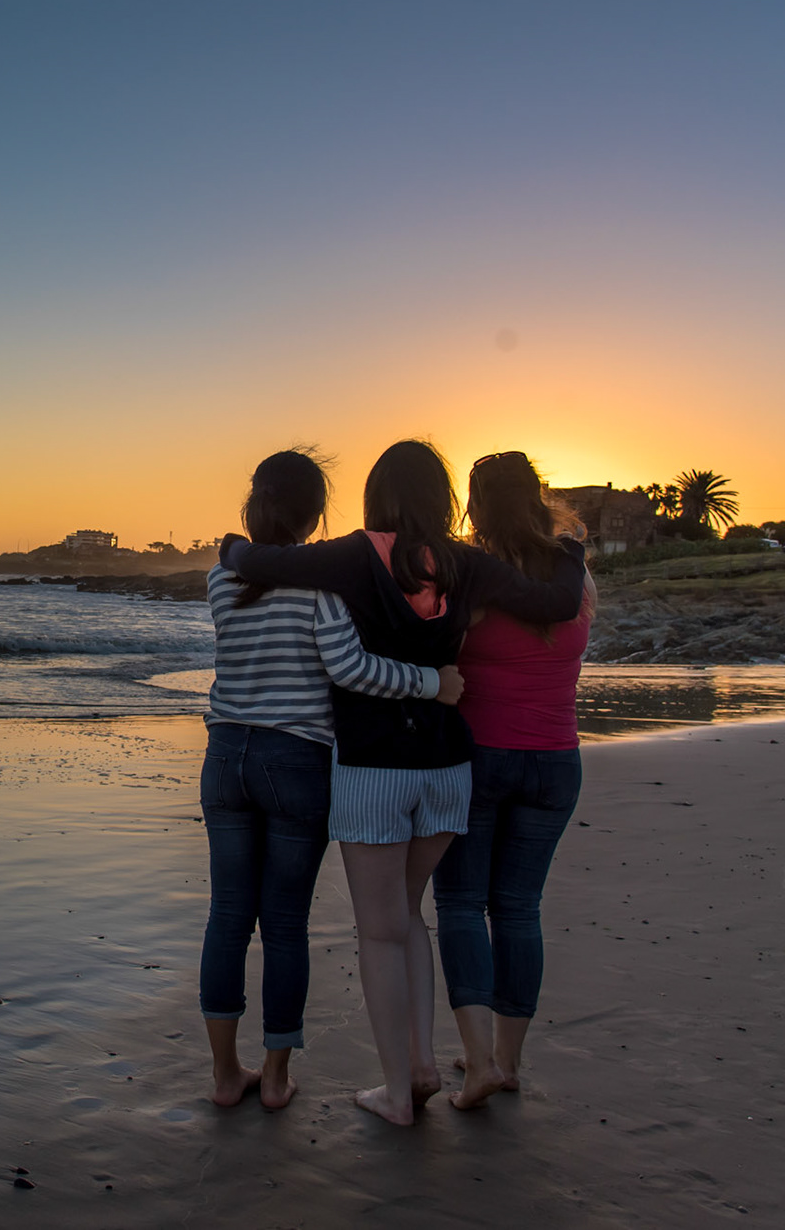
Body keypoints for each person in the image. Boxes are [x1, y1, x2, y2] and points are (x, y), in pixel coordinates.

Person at [220, 440, 585, 1125]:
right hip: (447, 768)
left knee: (381, 931)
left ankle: (399, 1091)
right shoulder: (466, 561)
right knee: (410, 915)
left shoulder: (356, 554)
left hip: (374, 768)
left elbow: (265, 561)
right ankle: (421, 1065)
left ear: (376, 494)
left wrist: (231, 547)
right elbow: (558, 601)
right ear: (442, 497)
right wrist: (571, 548)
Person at [200, 448, 465, 1110]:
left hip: (225, 754)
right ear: (316, 512)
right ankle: (276, 1078)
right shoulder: (322, 584)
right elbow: (349, 668)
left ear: (255, 503)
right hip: (295, 758)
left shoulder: (220, 577)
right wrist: (431, 683)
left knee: (228, 917)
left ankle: (226, 1075)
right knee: (284, 922)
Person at [433, 450, 595, 1109]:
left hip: (480, 758)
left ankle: (478, 1063)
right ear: (536, 496)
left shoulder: (472, 578)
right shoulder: (575, 578)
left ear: (475, 507)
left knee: (461, 904)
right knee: (519, 908)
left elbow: (439, 652)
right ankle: (507, 1061)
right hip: (555, 759)